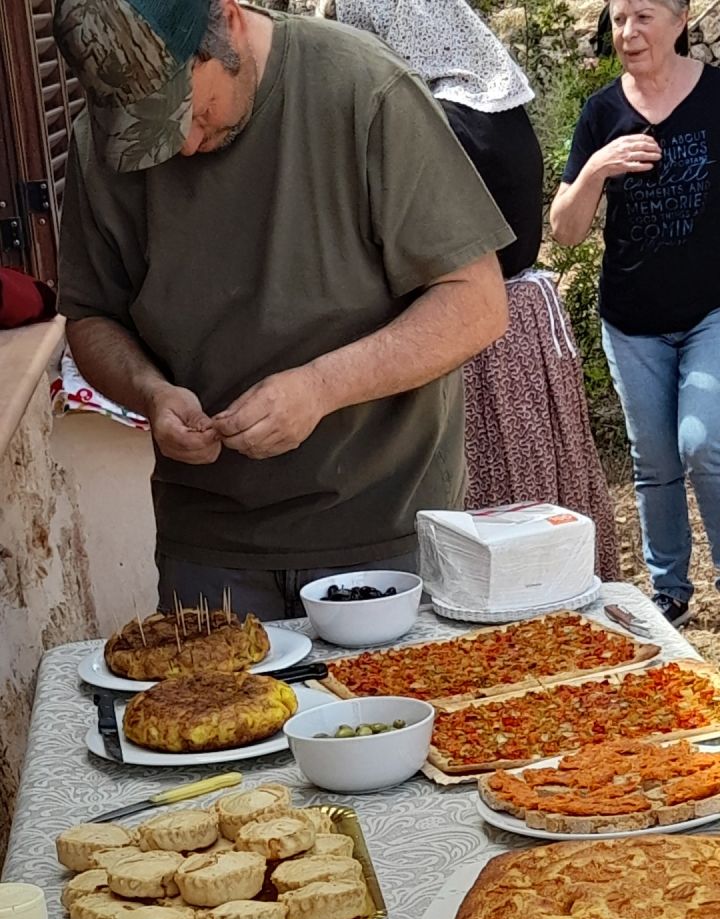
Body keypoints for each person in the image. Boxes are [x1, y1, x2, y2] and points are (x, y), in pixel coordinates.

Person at [52, 0, 511, 621]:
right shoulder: (100, 143)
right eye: (149, 131)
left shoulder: (362, 87)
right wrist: (151, 393)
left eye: (192, 111)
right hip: (209, 545)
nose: (182, 146)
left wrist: (321, 387)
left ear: (228, 20)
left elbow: (476, 301)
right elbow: (90, 319)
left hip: (385, 529)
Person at [330, 0, 620, 582]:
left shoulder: (433, 121)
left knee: (487, 527)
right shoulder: (495, 104)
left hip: (470, 332)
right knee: (537, 501)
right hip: (523, 327)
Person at [551, 0, 719, 627]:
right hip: (631, 321)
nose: (629, 33)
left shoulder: (714, 96)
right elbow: (565, 230)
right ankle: (669, 589)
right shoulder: (602, 113)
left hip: (710, 311)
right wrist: (597, 167)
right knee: (654, 460)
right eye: (619, 19)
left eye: (644, 16)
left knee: (703, 443)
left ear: (680, 19)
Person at [594, 1, 688, 57]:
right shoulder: (610, 12)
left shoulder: (669, 10)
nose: (627, 33)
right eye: (619, 20)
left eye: (643, 17)